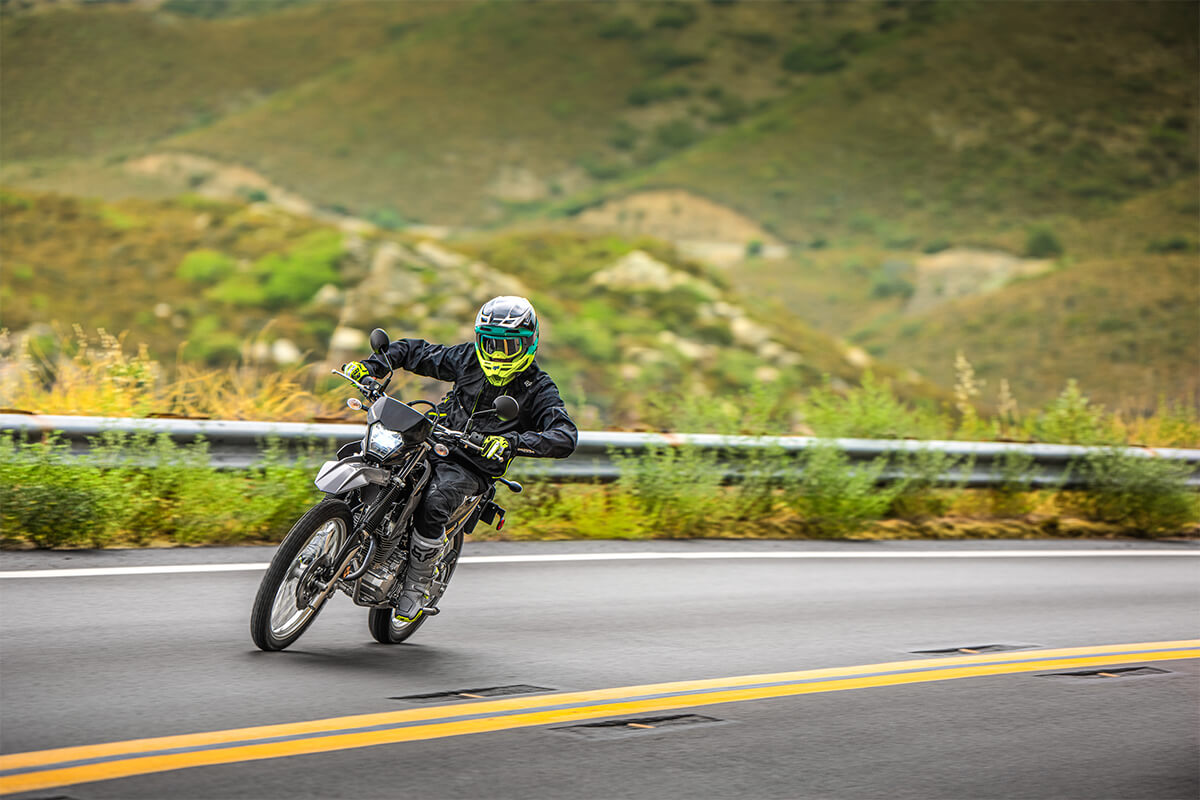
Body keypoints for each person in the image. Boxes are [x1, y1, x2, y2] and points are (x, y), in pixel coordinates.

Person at [342, 295, 578, 621]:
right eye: (491, 344)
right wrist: (373, 366)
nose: (498, 353)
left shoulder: (538, 387)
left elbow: (564, 435)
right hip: (432, 437)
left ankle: (415, 586)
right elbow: (417, 352)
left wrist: (510, 442)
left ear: (530, 343)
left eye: (509, 346)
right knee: (368, 454)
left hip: (473, 465)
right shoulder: (468, 358)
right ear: (480, 340)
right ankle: (337, 527)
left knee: (435, 500)